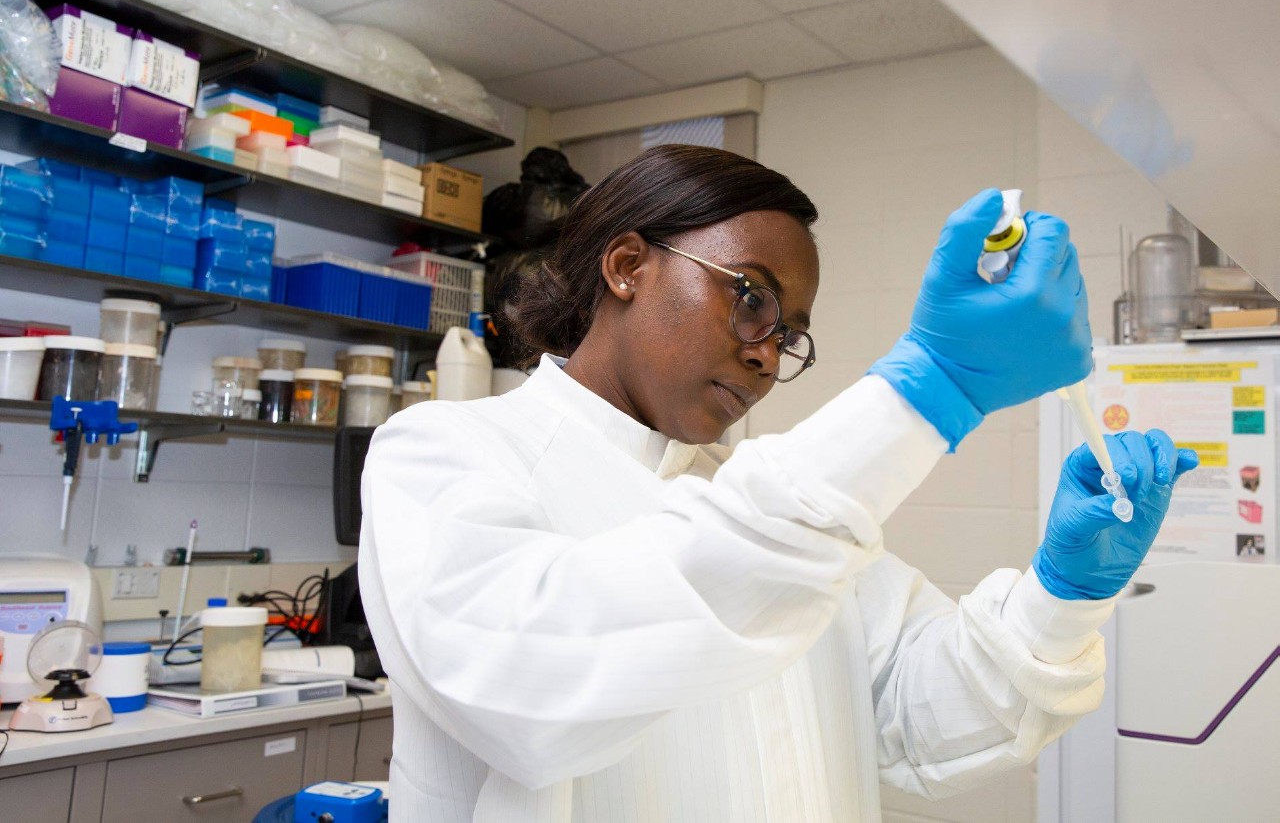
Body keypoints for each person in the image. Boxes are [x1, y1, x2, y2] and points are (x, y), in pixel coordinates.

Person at [359, 145, 1197, 822]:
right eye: (751, 298)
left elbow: (912, 722)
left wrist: (1060, 595)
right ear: (626, 265)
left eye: (790, 334)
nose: (767, 352)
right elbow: (532, 688)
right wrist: (926, 391)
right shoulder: (443, 454)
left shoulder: (770, 513)